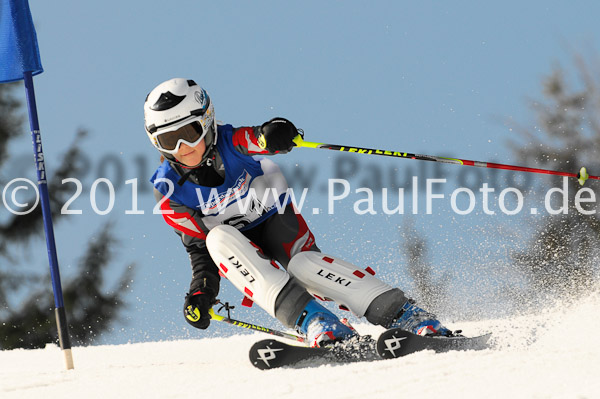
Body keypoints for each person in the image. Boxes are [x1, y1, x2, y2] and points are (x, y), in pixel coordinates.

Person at [145, 78, 454, 348]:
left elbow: (256, 138)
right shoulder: (168, 190)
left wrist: (274, 133)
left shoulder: (229, 142)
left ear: (208, 121)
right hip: (234, 245)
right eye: (169, 140)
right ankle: (317, 322)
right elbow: (200, 250)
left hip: (274, 221)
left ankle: (406, 314)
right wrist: (202, 291)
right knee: (218, 240)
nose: (184, 147)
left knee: (304, 265)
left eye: (190, 132)